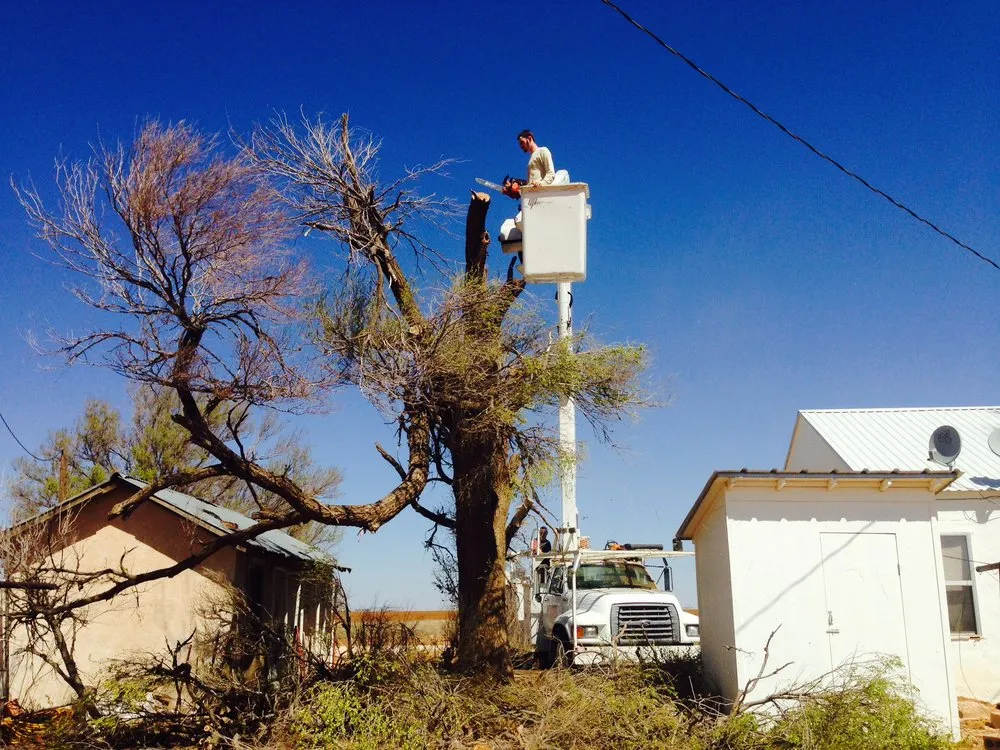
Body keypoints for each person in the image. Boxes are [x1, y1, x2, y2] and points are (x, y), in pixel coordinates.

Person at [502, 129, 557, 200]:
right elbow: (530, 185)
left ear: (529, 138)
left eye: (522, 142)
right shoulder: (531, 159)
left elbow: (551, 173)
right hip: (532, 198)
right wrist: (511, 191)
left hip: (542, 196)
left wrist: (541, 183)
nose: (521, 146)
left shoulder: (542, 151)